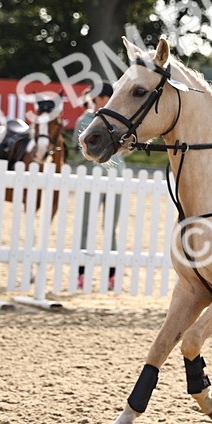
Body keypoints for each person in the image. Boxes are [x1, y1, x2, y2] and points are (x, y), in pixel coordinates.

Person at [76, 83, 123, 290]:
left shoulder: (119, 121)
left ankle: (111, 274)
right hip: (91, 178)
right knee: (86, 226)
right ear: (100, 98)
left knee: (110, 228)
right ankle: (81, 273)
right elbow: (80, 151)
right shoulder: (85, 120)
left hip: (115, 178)